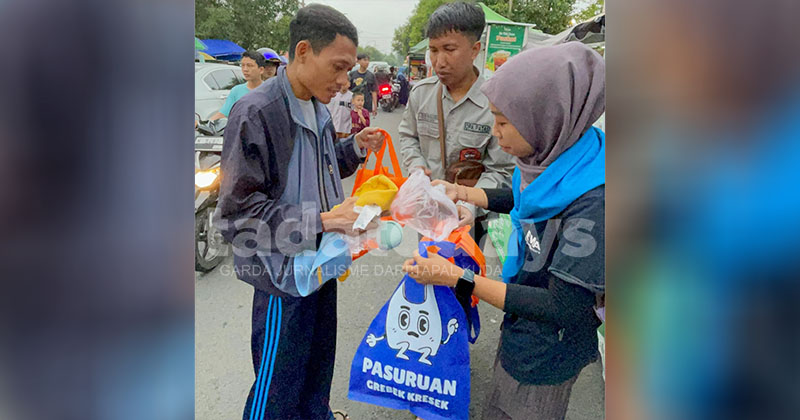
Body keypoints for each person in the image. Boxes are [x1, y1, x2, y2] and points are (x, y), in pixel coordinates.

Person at [402, 43, 606, 420]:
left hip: (548, 350)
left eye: (503, 122)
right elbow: (522, 198)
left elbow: (563, 308)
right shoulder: (557, 159)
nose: (496, 135)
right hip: (523, 326)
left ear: (546, 115)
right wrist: (463, 193)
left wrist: (457, 278)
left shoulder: (596, 202)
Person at [216, 4, 386, 420]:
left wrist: (353, 149)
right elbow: (237, 216)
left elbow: (317, 171)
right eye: (339, 67)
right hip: (283, 280)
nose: (345, 81)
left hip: (320, 267)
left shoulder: (316, 104)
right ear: (304, 51)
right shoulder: (258, 112)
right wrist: (325, 222)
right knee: (277, 389)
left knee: (315, 378)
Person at [398, 1, 514, 241]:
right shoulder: (421, 94)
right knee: (425, 272)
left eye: (449, 49)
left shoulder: (498, 103)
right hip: (429, 212)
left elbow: (500, 168)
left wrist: (469, 205)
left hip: (471, 218)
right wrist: (417, 167)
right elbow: (408, 136)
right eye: (433, 50)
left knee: (465, 277)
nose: (439, 61)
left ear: (475, 49)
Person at [209, 51, 269, 121]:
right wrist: (202, 124)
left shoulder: (269, 90)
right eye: (243, 65)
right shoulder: (236, 91)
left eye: (249, 65)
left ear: (261, 70)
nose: (245, 69)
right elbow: (223, 114)